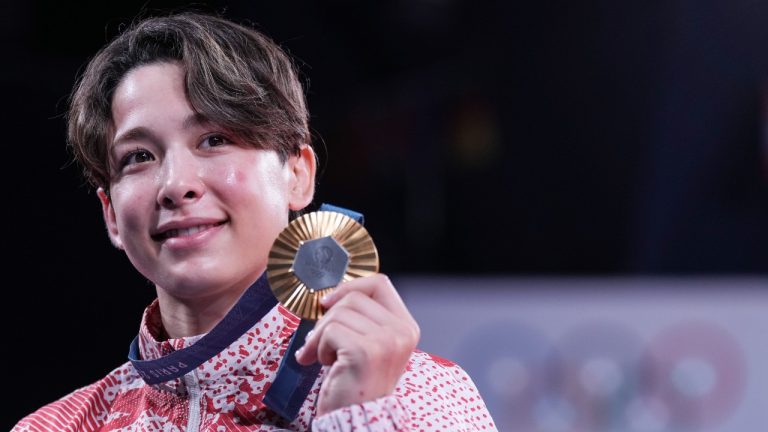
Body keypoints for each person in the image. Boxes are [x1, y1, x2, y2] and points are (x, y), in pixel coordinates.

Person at [13, 11, 495, 432]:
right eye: (139, 156)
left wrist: (357, 417)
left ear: (298, 175)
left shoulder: (424, 396)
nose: (176, 184)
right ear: (112, 215)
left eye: (215, 140)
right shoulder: (58, 426)